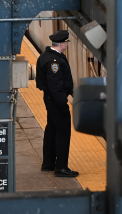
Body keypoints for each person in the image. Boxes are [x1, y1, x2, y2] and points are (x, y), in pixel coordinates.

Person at [35, 30, 79, 177]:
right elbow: (55, 86)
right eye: (66, 42)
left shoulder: (47, 56)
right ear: (61, 44)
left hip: (50, 99)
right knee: (63, 132)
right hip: (56, 101)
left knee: (51, 129)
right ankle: (61, 167)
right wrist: (63, 103)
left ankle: (48, 163)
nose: (67, 44)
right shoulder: (54, 62)